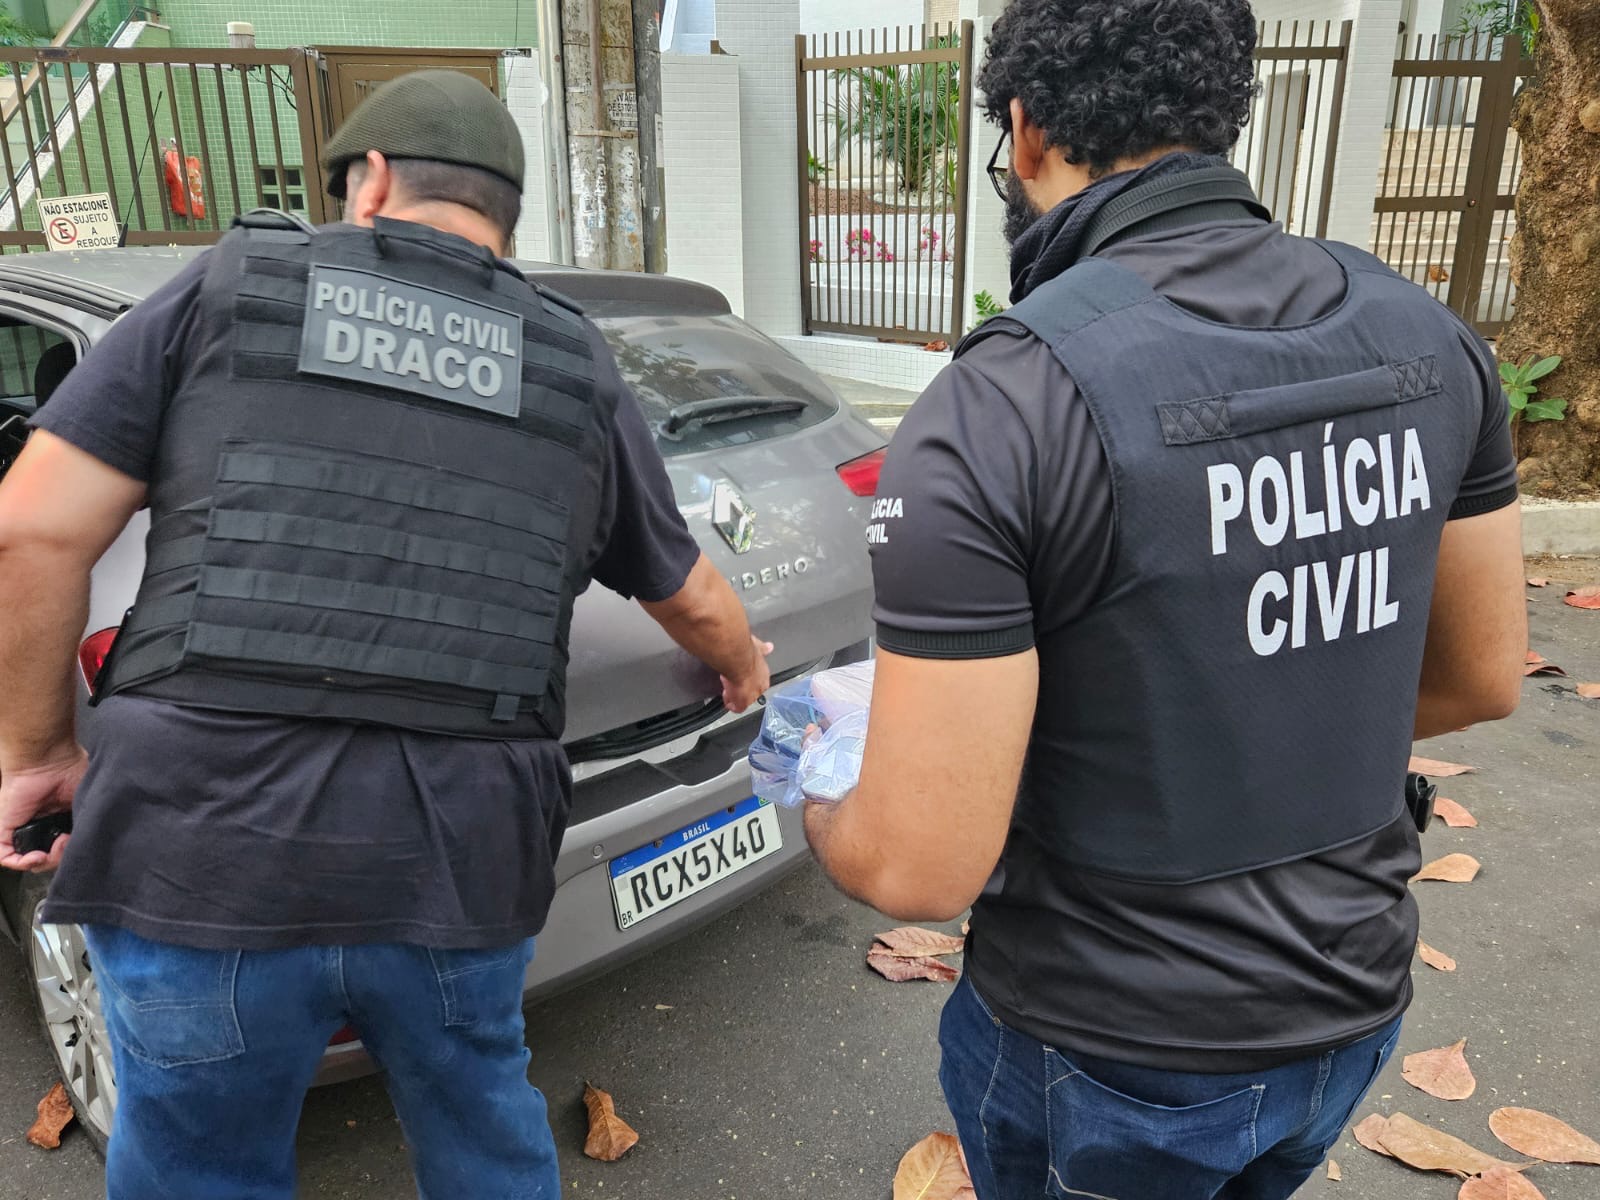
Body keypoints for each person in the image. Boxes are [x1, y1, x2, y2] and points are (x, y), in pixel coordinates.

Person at [0, 70, 769, 1199]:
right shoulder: (568, 359)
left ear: (365, 186)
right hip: (456, 861)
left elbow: (30, 530)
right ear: (505, 220)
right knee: (484, 1142)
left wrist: (37, 755)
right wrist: (743, 665)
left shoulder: (231, 284)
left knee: (198, 1167)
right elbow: (689, 592)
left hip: (202, 850)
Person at [804, 2, 1527, 1196]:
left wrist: (820, 795)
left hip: (1108, 1050)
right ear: (1219, 114)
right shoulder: (1431, 336)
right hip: (1350, 1007)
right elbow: (1475, 677)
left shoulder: (1002, 405)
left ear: (1026, 134)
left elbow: (919, 868)